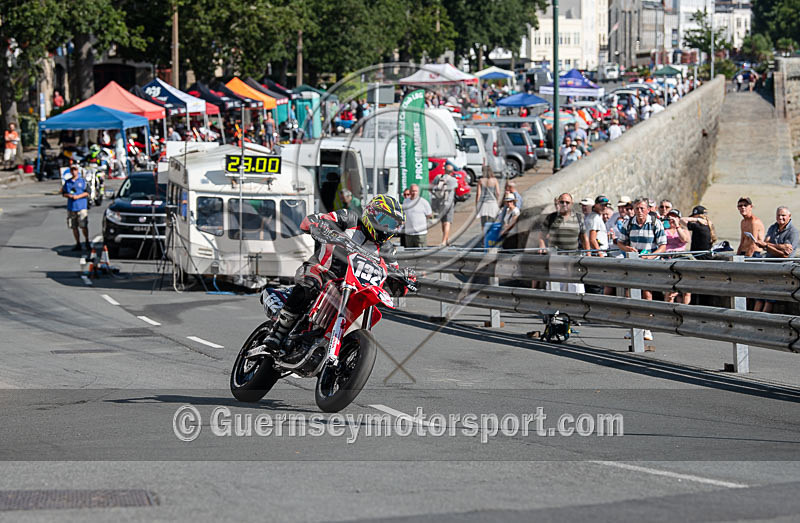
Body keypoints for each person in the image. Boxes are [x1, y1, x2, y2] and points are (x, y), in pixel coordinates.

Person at [263, 195, 411, 352]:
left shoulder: (388, 249)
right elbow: (312, 220)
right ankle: (279, 332)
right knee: (309, 287)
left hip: (355, 286)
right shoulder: (349, 218)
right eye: (385, 221)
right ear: (372, 213)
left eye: (393, 224)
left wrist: (404, 279)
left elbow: (393, 270)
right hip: (322, 270)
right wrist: (319, 225)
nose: (387, 227)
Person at [616, 198, 667, 340]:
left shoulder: (655, 223)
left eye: (642, 209)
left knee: (646, 293)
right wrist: (627, 248)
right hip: (633, 262)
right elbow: (620, 241)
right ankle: (632, 326)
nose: (639, 211)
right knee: (629, 294)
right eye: (636, 208)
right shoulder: (629, 223)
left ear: (648, 209)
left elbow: (663, 245)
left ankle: (647, 327)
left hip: (648, 263)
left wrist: (651, 257)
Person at [536, 193, 588, 293]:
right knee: (557, 291)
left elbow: (584, 238)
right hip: (556, 260)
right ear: (558, 203)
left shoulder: (578, 217)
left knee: (576, 291)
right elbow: (542, 235)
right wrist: (542, 246)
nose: (564, 204)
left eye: (567, 202)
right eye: (562, 202)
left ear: (571, 204)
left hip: (574, 259)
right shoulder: (551, 218)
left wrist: (588, 255)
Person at [752, 206, 799, 312]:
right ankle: (755, 320)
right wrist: (780, 246)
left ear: (789, 216)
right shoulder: (773, 227)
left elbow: (785, 255)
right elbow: (766, 241)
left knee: (769, 298)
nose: (780, 217)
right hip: (768, 266)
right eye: (778, 215)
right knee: (759, 297)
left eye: (783, 215)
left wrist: (767, 246)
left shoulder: (793, 232)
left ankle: (763, 322)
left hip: (781, 268)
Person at [663, 209, 691, 304]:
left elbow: (684, 239)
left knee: (686, 290)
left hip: (681, 257)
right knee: (670, 290)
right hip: (668, 258)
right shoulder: (664, 230)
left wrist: (677, 226)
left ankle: (685, 309)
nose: (671, 219)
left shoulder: (683, 230)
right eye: (670, 217)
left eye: (674, 217)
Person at [62, 164, 91, 252]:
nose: (73, 172)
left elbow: (88, 192)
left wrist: (78, 196)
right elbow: (63, 193)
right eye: (72, 170)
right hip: (71, 207)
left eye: (75, 170)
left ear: (78, 171)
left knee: (83, 225)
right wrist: (69, 195)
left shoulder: (83, 181)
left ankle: (86, 241)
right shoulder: (68, 182)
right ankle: (77, 243)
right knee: (74, 226)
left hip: (81, 206)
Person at [431, 164, 458, 246]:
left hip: (440, 203)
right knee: (447, 222)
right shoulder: (453, 180)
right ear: (452, 172)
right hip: (449, 203)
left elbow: (432, 188)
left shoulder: (438, 177)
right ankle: (444, 241)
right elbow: (455, 189)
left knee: (443, 222)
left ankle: (446, 239)